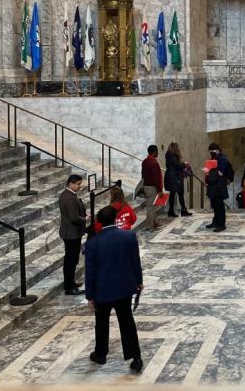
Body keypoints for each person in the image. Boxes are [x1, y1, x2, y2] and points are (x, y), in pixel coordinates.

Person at [84, 205, 144, 373]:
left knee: (101, 323)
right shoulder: (129, 236)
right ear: (115, 218)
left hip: (102, 290)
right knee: (127, 322)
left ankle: (101, 354)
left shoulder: (92, 243)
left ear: (99, 222)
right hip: (124, 287)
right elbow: (135, 262)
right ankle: (136, 357)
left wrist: (90, 296)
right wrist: (139, 281)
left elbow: (90, 272)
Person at [59, 174, 87, 295]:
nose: (79, 186)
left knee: (72, 259)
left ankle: (70, 282)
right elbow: (74, 218)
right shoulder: (69, 198)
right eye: (78, 184)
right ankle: (69, 287)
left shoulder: (68, 194)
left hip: (72, 232)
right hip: (71, 233)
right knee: (71, 260)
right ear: (71, 183)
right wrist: (85, 219)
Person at [204, 143, 234, 232]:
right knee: (214, 205)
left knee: (219, 205)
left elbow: (220, 172)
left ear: (217, 150)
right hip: (213, 185)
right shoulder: (213, 158)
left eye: (212, 151)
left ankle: (221, 224)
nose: (210, 152)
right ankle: (215, 222)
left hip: (219, 185)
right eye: (210, 151)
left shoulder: (222, 159)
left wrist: (209, 171)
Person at [164, 142, 192, 218]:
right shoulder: (173, 156)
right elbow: (178, 166)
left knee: (173, 194)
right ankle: (183, 210)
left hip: (170, 177)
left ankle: (171, 211)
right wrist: (184, 164)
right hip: (175, 178)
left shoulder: (168, 155)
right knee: (180, 193)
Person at [141, 145, 163, 231]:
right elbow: (156, 177)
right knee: (150, 207)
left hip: (146, 186)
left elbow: (142, 175)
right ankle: (149, 227)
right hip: (152, 188)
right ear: (154, 152)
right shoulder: (153, 163)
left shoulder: (145, 161)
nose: (158, 153)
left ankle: (154, 223)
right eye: (157, 151)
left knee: (152, 207)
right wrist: (160, 189)